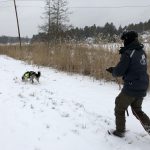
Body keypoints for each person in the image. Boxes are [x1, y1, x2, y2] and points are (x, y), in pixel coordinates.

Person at [106, 30, 150, 137]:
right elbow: (135, 67)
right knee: (137, 110)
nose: (123, 43)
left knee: (119, 106)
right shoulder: (141, 52)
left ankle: (120, 131)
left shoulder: (128, 53)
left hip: (131, 87)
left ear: (127, 40)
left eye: (124, 40)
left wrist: (113, 71)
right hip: (143, 85)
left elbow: (120, 71)